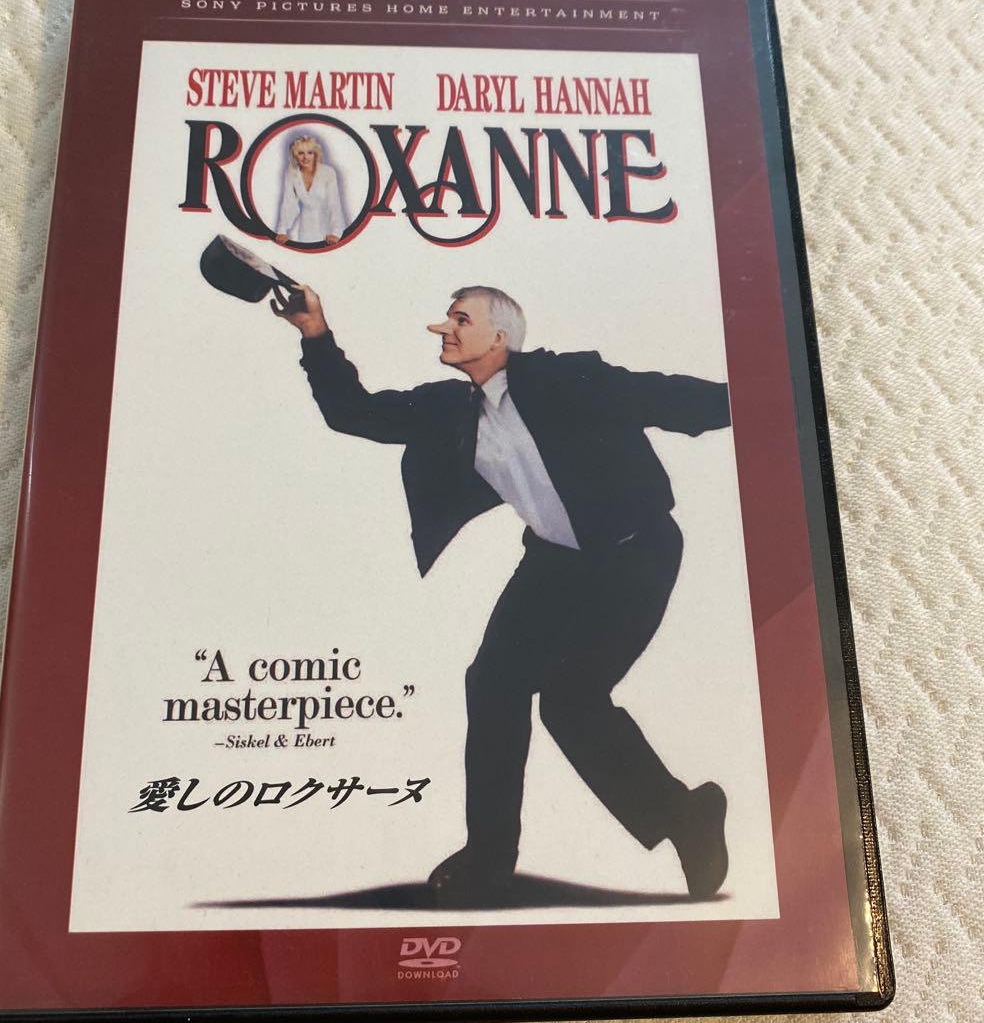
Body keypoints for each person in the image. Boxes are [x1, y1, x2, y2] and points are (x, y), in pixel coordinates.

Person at [280, 283, 732, 906]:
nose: (443, 328)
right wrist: (315, 334)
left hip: (635, 556)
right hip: (554, 562)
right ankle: (488, 860)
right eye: (447, 317)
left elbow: (666, 396)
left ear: (500, 337)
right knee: (492, 684)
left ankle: (687, 817)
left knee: (571, 702)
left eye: (460, 318)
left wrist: (761, 394)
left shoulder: (566, 379)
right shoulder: (448, 408)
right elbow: (352, 413)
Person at [275, 135, 345, 246]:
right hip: (305, 226)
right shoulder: (291, 173)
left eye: (310, 153)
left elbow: (334, 204)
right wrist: (282, 230)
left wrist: (336, 232)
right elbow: (289, 202)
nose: (306, 157)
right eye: (301, 153)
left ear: (315, 154)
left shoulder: (328, 172)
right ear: (295, 156)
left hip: (328, 228)